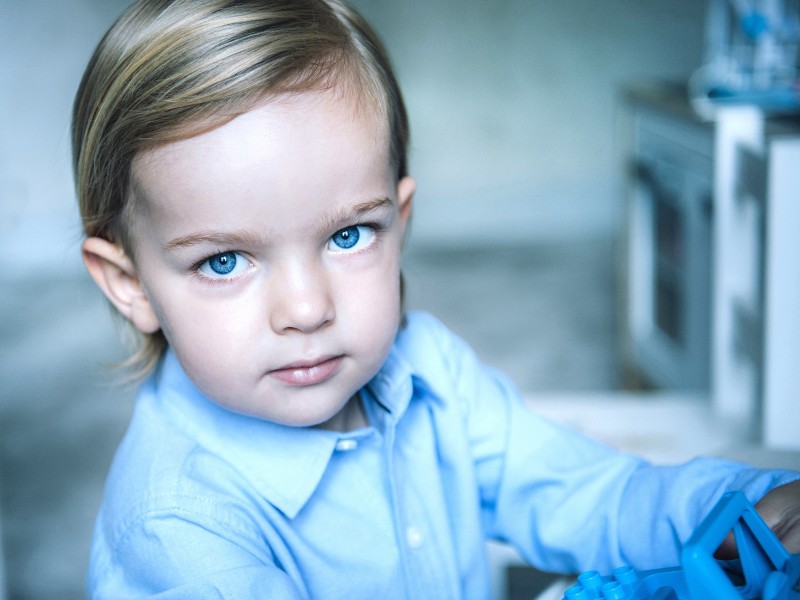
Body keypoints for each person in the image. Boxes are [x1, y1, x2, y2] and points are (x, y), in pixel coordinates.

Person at [73, 0, 800, 598]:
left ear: (400, 220)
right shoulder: (180, 534)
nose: (305, 308)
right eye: (224, 259)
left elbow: (582, 488)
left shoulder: (428, 371)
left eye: (349, 235)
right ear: (131, 284)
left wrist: (731, 512)